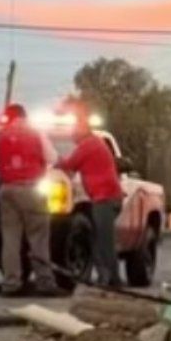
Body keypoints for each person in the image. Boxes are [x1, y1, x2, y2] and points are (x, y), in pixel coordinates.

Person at [0, 104, 60, 297]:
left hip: (7, 189)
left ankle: (11, 283)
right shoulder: (36, 134)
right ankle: (44, 282)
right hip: (31, 188)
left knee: (10, 238)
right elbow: (52, 157)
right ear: (25, 116)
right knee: (38, 237)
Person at [56, 110, 124, 287]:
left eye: (74, 130)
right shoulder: (96, 143)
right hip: (108, 197)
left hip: (105, 198)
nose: (72, 134)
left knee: (103, 240)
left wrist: (51, 159)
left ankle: (111, 279)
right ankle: (108, 276)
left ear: (83, 129)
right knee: (100, 238)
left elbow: (68, 165)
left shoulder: (88, 146)